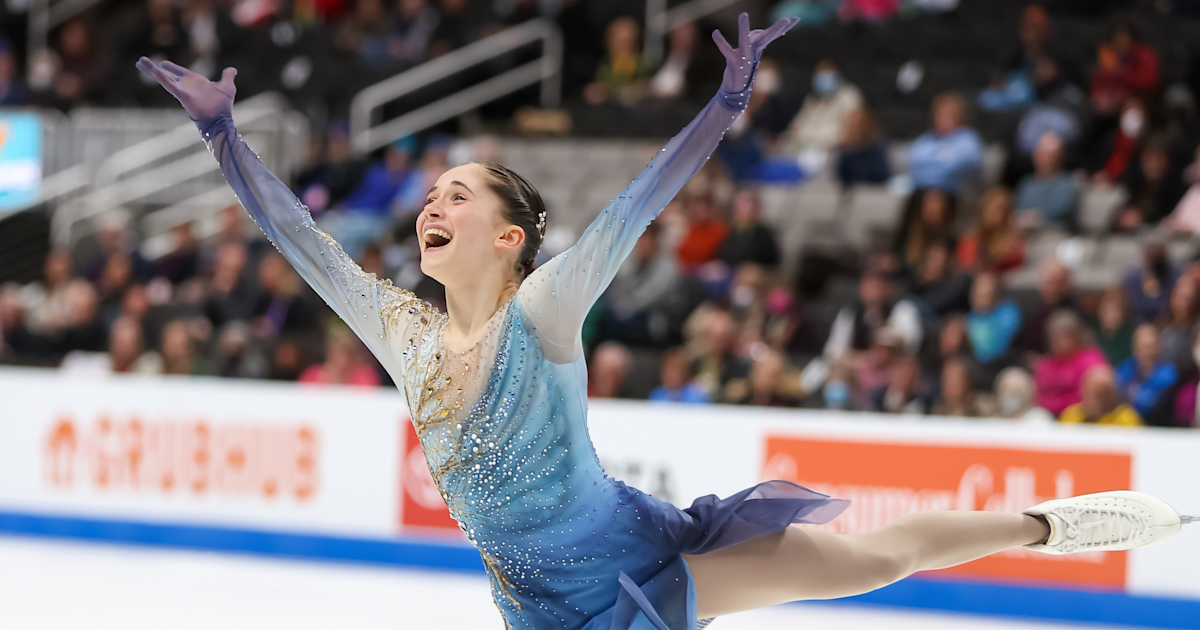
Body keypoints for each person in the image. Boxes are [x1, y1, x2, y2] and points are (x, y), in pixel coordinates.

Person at [139, 17, 1190, 628]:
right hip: (533, 608)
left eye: (463, 195)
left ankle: (1050, 526)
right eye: (433, 193)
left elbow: (631, 208)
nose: (435, 204)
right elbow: (302, 245)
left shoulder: (545, 309)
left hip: (640, 567)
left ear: (510, 240)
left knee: (873, 561)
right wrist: (226, 137)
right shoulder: (401, 335)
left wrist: (724, 108)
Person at [781, 59, 864, 162]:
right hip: (805, 149)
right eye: (819, 75)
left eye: (826, 74)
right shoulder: (812, 100)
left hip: (834, 152)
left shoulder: (848, 95)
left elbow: (854, 124)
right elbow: (796, 126)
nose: (823, 79)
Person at [906, 93, 984, 196]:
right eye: (940, 115)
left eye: (948, 115)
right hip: (923, 193)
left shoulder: (968, 138)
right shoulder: (927, 138)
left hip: (955, 195)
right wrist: (942, 161)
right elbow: (913, 161)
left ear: (959, 117)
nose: (943, 119)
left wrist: (931, 163)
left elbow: (962, 165)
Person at [1035, 310, 1109, 416]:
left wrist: (1054, 406)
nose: (1058, 340)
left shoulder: (1091, 360)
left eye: (1064, 335)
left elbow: (1091, 399)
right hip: (1046, 419)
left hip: (1081, 419)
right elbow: (1038, 396)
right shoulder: (1045, 363)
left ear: (1077, 336)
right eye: (1054, 336)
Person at [1116, 323, 1180, 426]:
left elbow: (1158, 405)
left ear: (1158, 348)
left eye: (1149, 347)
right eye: (1142, 347)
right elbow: (1117, 395)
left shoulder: (1168, 373)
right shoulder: (1125, 369)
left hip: (1157, 426)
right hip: (1126, 425)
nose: (1146, 352)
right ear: (1134, 349)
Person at [1014, 133, 1079, 232]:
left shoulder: (1069, 183)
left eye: (1053, 156)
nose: (1048, 160)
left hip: (1054, 235)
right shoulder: (1025, 183)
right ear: (1035, 155)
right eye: (1044, 154)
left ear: (1061, 157)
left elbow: (1056, 212)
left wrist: (1031, 218)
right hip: (1022, 235)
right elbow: (1017, 211)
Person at [958, 187, 1026, 274]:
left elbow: (1011, 264)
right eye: (989, 207)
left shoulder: (1015, 238)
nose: (991, 212)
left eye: (999, 209)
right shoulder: (971, 236)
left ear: (1008, 213)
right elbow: (967, 265)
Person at [1059, 365, 1143, 426]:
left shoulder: (1125, 419)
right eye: (1092, 390)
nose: (1096, 397)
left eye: (1103, 391)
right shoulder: (1071, 416)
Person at [835, 105, 891, 187]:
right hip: (850, 194)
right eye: (851, 121)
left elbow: (881, 176)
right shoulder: (844, 150)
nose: (854, 125)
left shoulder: (876, 148)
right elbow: (840, 177)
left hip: (874, 192)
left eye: (857, 122)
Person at [932, 358, 997, 418]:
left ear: (968, 382)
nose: (952, 386)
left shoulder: (982, 406)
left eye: (957, 382)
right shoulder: (938, 409)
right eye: (948, 381)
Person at [1093, 286, 1137, 366]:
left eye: (1116, 311)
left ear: (1123, 314)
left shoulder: (1131, 337)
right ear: (1099, 312)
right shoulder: (1093, 336)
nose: (1111, 316)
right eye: (1107, 311)